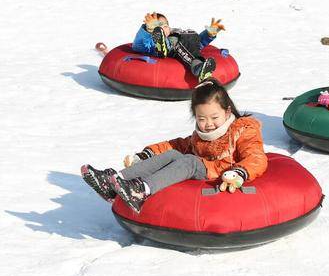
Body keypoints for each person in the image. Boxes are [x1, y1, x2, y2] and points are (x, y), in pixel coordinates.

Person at [81, 80, 268, 212]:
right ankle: (114, 180)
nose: (208, 124)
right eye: (202, 119)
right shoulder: (200, 136)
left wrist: (240, 173)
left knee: (190, 161)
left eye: (214, 117)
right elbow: (176, 145)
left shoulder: (243, 129)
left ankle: (142, 190)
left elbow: (256, 157)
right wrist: (147, 153)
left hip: (225, 172)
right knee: (174, 154)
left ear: (227, 112)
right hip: (204, 167)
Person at [132, 12, 226, 82]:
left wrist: (209, 34)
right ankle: (198, 68)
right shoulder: (148, 42)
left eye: (165, 26)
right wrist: (147, 30)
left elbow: (198, 44)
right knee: (180, 45)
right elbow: (138, 45)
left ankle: (201, 67)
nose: (163, 28)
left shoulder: (175, 34)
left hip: (182, 44)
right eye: (158, 27)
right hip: (170, 48)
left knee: (189, 38)